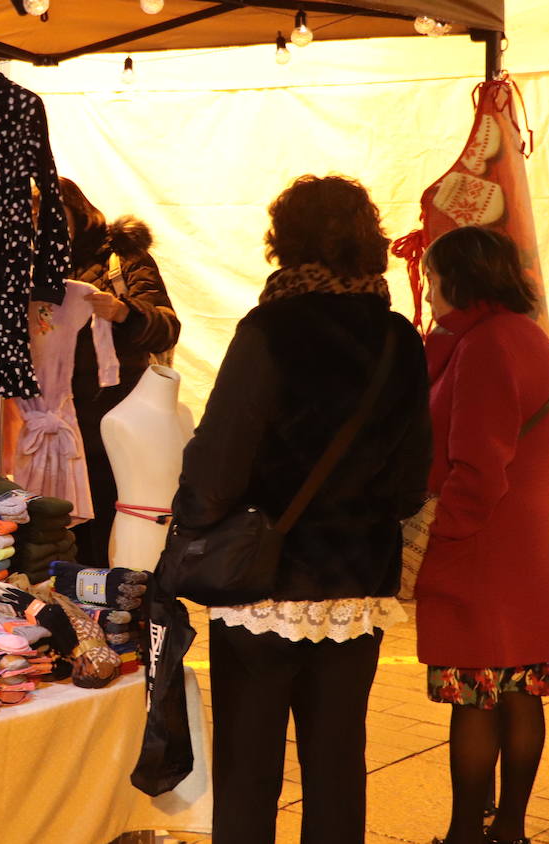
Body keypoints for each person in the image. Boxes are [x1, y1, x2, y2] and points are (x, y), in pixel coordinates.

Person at [169, 175, 432, 841]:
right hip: (357, 584)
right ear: (369, 245)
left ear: (284, 244)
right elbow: (410, 483)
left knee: (248, 769)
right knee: (339, 763)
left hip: (265, 582)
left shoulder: (271, 331)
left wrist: (193, 525)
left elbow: (217, 463)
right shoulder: (400, 340)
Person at [418, 226, 549, 844]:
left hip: (483, 538)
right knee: (518, 686)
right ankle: (508, 830)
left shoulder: (485, 345)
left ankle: (466, 834)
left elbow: (478, 466)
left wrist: (440, 541)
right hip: (525, 538)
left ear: (461, 278)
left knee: (475, 692)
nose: (429, 292)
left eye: (433, 279)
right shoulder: (526, 335)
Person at [59, 177, 181, 566]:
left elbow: (167, 328)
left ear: (76, 212)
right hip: (53, 430)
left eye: (51, 215)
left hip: (114, 424)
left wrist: (125, 312)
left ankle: (121, 613)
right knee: (58, 537)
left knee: (117, 533)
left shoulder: (121, 258)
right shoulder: (30, 264)